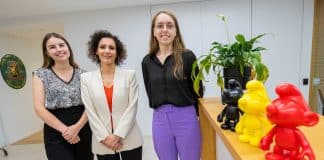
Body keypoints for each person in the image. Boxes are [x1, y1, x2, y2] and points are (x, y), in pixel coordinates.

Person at [141, 10, 204, 160]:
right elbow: (150, 91)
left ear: (176, 31)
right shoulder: (147, 61)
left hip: (186, 118)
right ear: (154, 32)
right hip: (160, 120)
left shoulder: (188, 57)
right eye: (160, 26)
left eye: (170, 26)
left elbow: (198, 89)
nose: (165, 30)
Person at [81, 30, 143, 160]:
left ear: (117, 52)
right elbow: (90, 111)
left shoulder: (130, 75)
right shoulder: (86, 79)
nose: (107, 51)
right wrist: (105, 137)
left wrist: (118, 135)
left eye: (112, 48)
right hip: (103, 141)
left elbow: (132, 108)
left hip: (130, 137)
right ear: (96, 51)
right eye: (102, 47)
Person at [32, 32, 93, 160]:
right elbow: (39, 108)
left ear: (68, 48)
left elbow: (91, 105)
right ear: (47, 52)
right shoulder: (40, 75)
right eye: (52, 47)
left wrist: (76, 128)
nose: (59, 49)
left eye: (61, 45)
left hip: (82, 126)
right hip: (55, 129)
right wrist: (66, 131)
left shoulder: (84, 74)